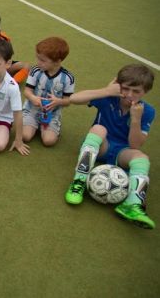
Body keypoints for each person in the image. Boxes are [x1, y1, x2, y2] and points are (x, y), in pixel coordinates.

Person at [64, 64, 155, 229]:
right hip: (100, 146)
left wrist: (136, 119)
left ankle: (133, 204)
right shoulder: (109, 97)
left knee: (142, 158)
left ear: (145, 92)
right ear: (118, 85)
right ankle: (79, 182)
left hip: (122, 152)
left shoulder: (147, 111)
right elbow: (73, 98)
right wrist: (106, 91)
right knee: (99, 129)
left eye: (136, 91)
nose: (129, 95)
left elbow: (135, 145)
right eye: (125, 88)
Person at [22, 37, 75, 146]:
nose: (38, 62)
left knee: (48, 141)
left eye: (42, 60)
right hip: (32, 110)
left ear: (58, 61)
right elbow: (27, 91)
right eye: (38, 58)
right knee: (25, 136)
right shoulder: (36, 71)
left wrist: (58, 102)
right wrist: (33, 98)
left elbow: (68, 101)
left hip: (52, 114)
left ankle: (47, 127)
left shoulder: (68, 78)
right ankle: (32, 124)